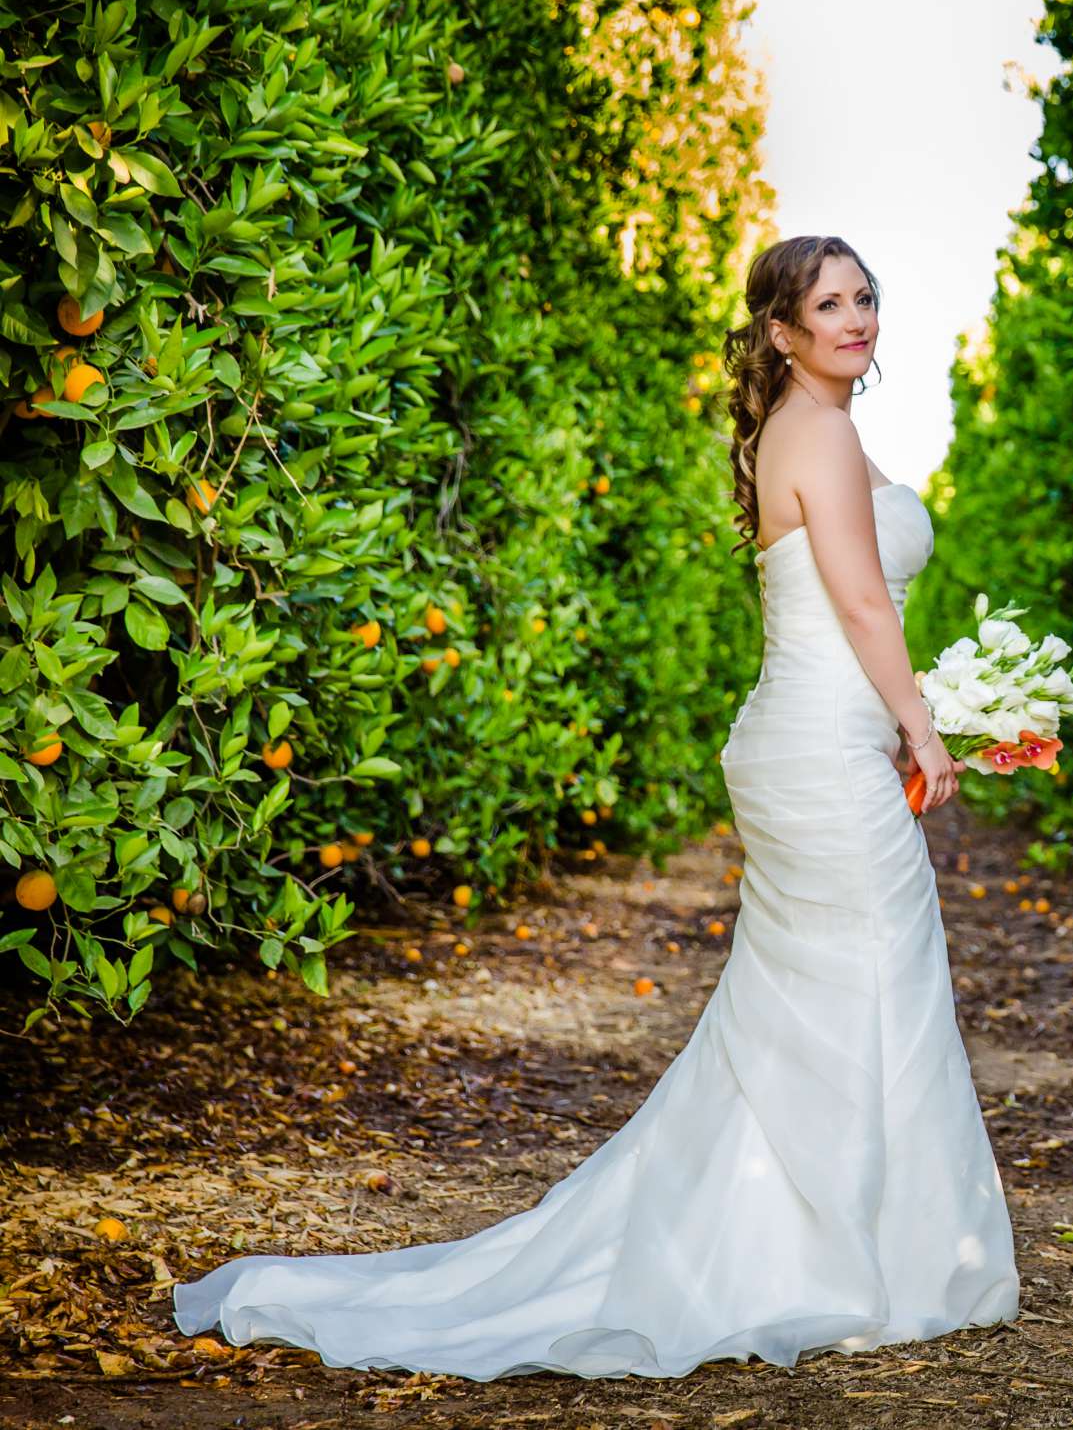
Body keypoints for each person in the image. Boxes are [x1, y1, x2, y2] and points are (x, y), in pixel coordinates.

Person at [172, 234, 1021, 1379]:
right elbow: (866, 607)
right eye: (830, 304)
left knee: (827, 989)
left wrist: (944, 710)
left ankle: (839, 1239)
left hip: (814, 741)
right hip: (823, 750)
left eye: (865, 297)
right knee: (872, 971)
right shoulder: (816, 431)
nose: (857, 318)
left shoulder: (818, 432)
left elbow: (861, 611)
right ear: (783, 332)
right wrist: (921, 725)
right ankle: (848, 1254)